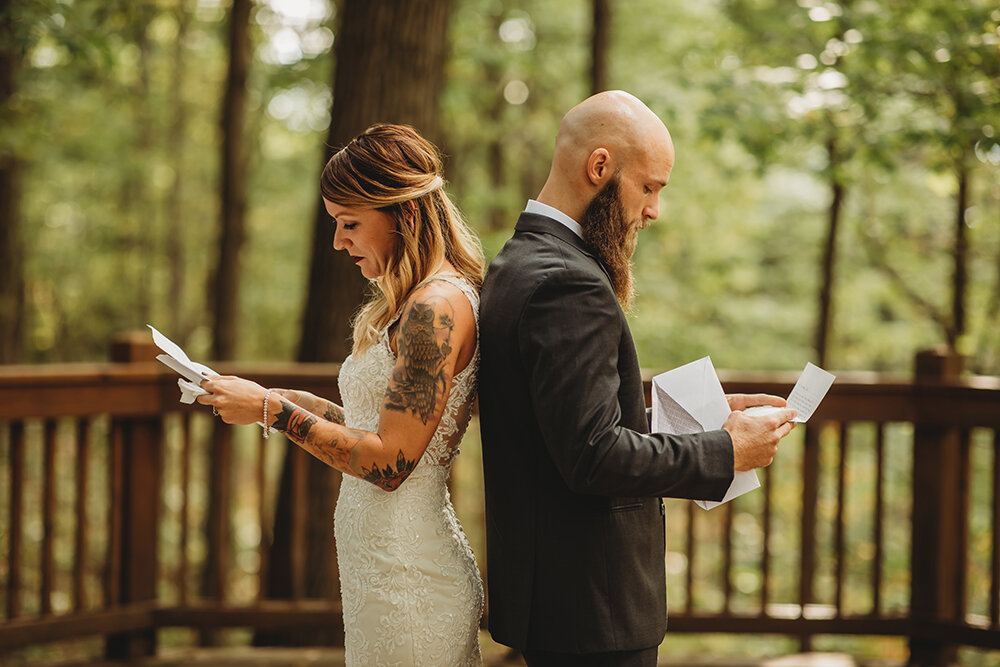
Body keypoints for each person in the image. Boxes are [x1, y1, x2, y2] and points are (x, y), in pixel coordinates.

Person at [477, 90, 798, 667]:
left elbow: (557, 427)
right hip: (590, 609)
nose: (654, 210)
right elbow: (593, 457)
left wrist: (704, 423)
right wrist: (726, 450)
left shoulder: (517, 260)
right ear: (599, 168)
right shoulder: (567, 283)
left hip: (552, 598)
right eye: (648, 186)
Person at [197, 124, 486, 666]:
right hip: (380, 573)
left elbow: (392, 462)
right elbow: (373, 424)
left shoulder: (436, 309)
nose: (339, 241)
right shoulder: (416, 303)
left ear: (402, 214)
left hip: (409, 581)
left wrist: (273, 413)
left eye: (350, 223)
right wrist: (279, 399)